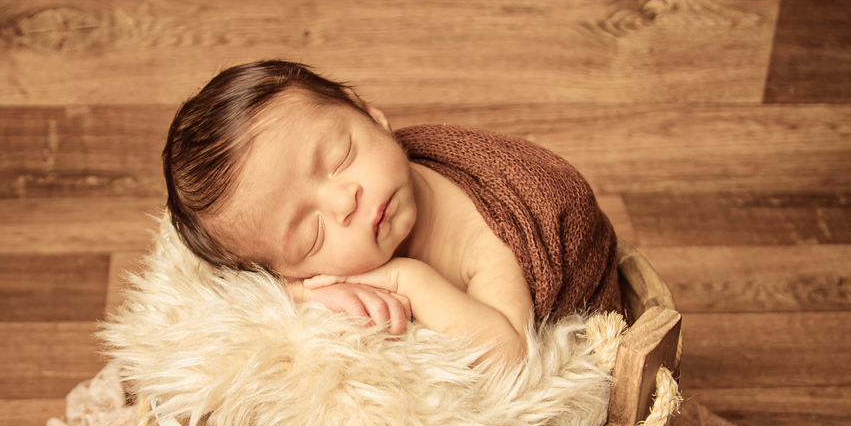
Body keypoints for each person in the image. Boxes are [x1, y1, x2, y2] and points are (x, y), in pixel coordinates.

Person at [163, 59, 623, 368]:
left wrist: (410, 281)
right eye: (311, 235)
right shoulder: (296, 271)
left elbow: (511, 356)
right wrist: (303, 296)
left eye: (341, 156)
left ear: (369, 114)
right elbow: (251, 292)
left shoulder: (486, 235)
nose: (345, 202)